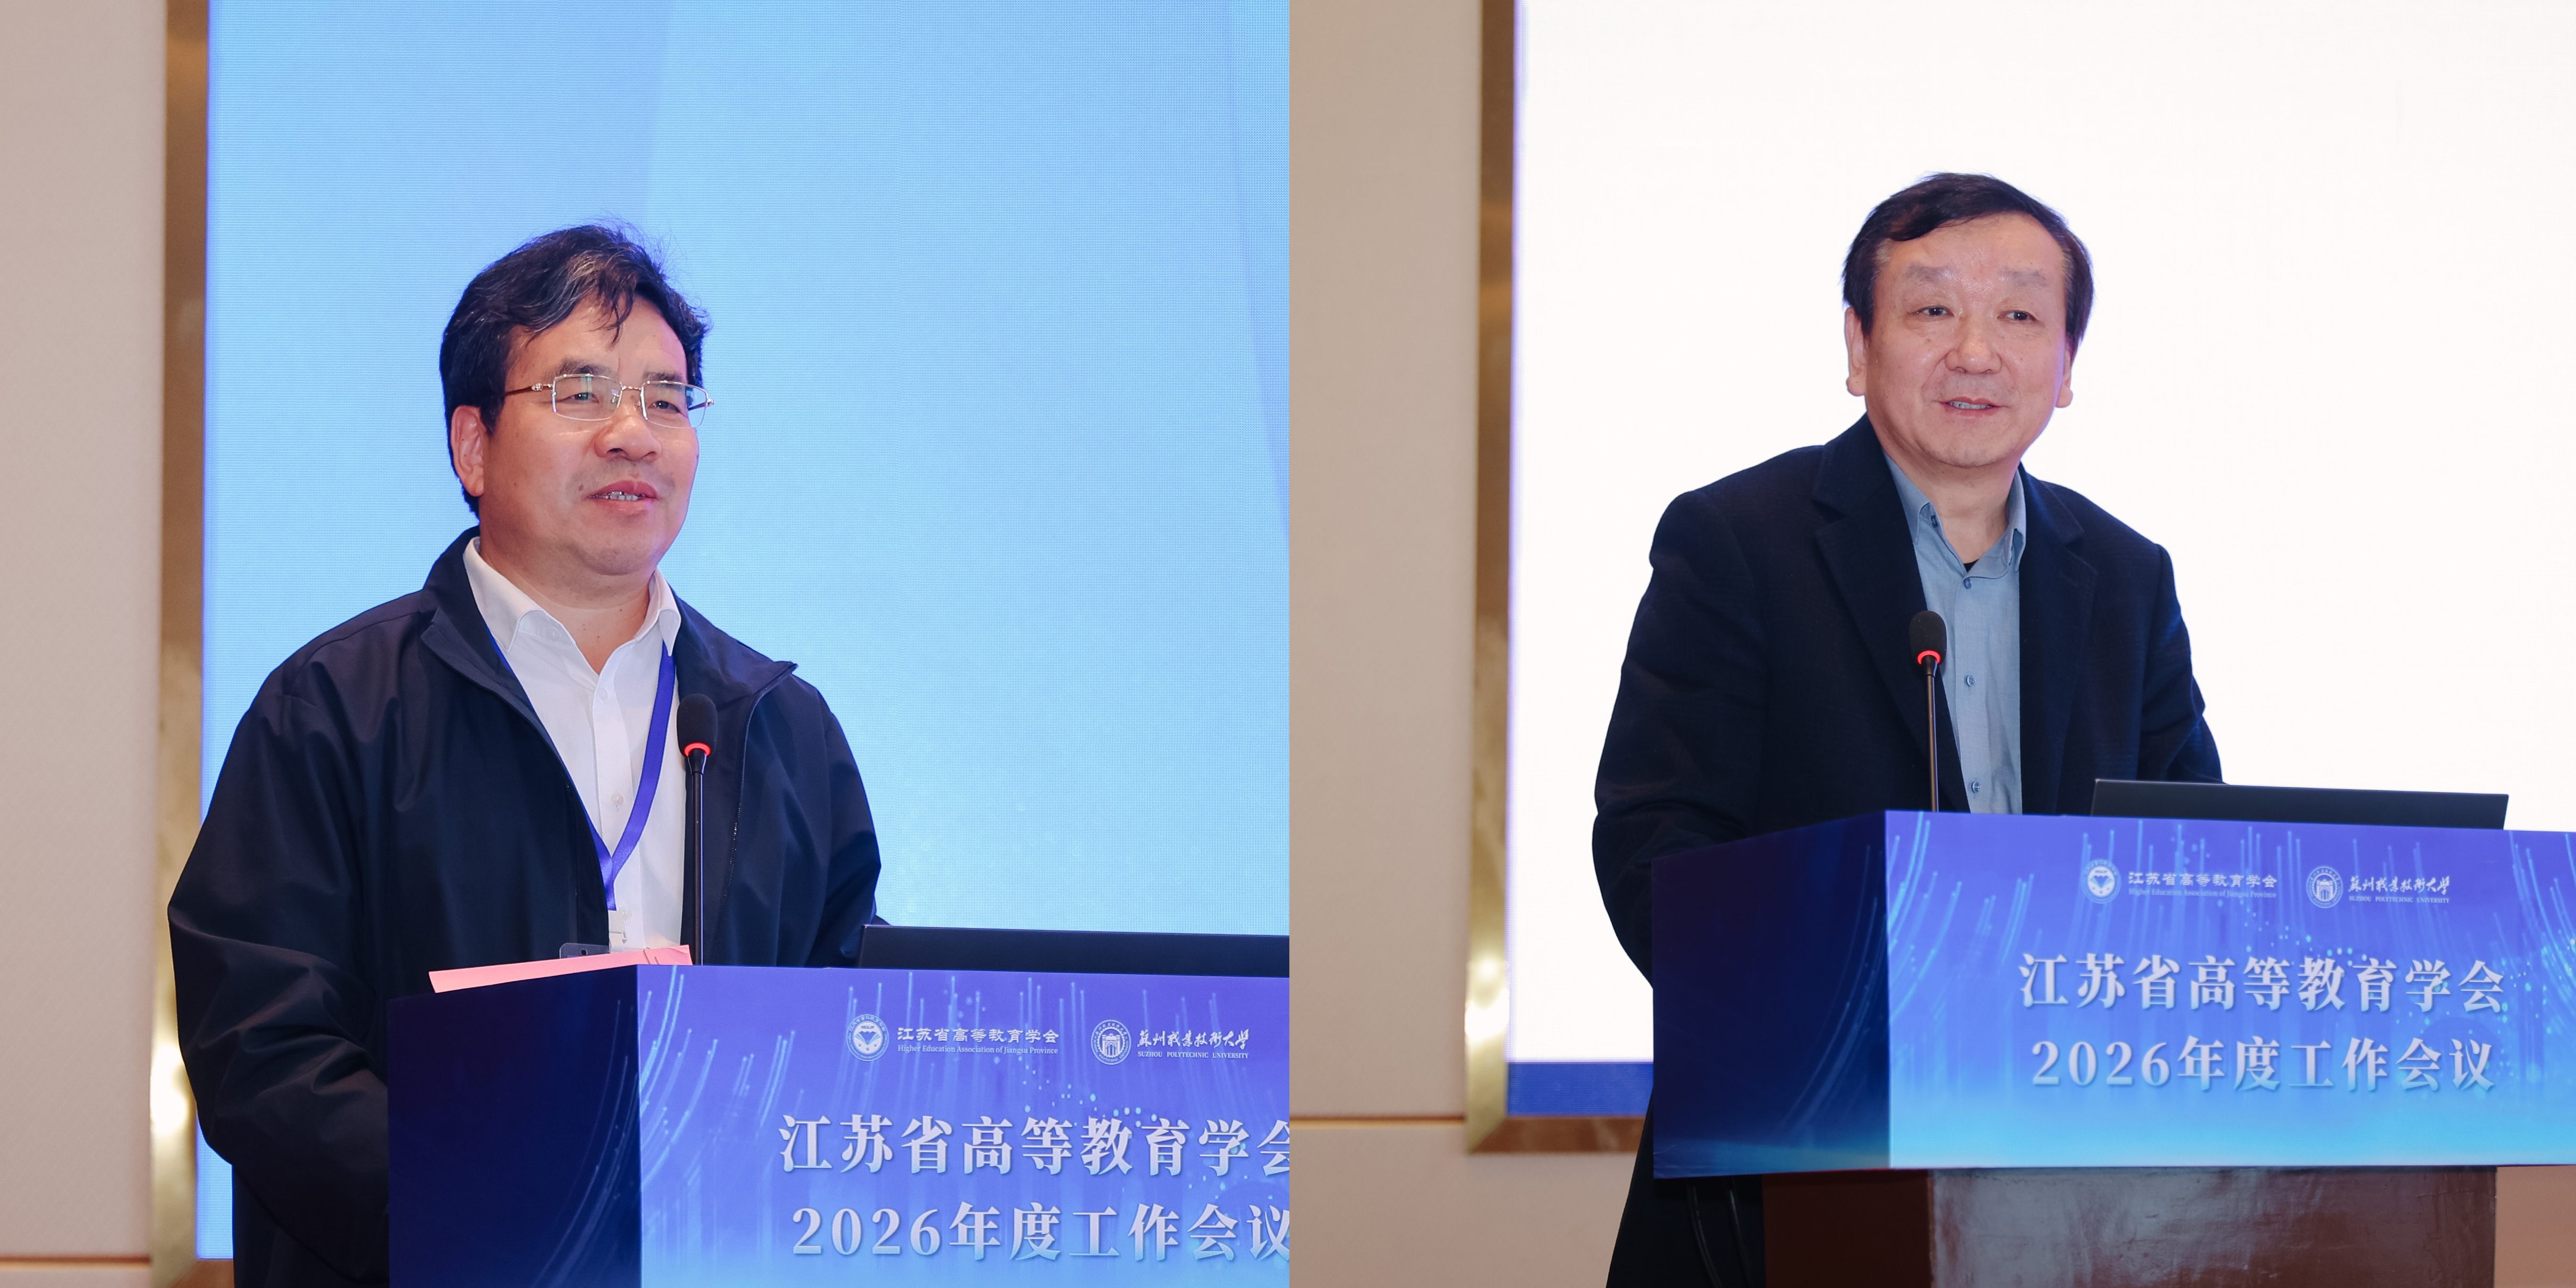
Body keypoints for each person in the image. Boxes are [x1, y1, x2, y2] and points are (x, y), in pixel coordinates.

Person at [170, 225, 883, 1287]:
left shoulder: (776, 725)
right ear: (472, 446)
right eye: (581, 393)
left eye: (667, 400)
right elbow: (263, 1048)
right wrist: (498, 1214)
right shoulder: (333, 709)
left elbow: (848, 1025)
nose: (634, 435)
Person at [1591, 174, 2222, 1286]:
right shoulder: (1738, 542)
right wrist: (1859, 1014)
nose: (1976, 351)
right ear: (1857, 345)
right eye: (1933, 310)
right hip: (1796, 1170)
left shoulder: (2127, 576)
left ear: (2066, 365)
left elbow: (2195, 859)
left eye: (2019, 314)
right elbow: (1657, 852)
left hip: (2076, 1186)